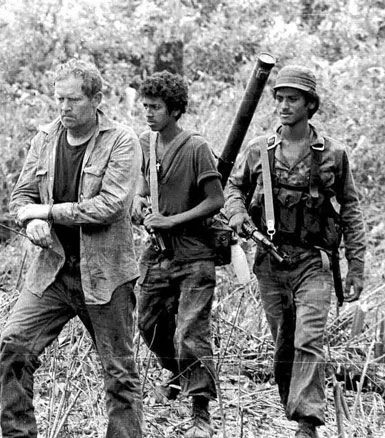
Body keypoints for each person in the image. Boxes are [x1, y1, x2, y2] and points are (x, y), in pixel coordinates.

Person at [0, 59, 143, 437]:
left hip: (106, 278)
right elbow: (21, 197)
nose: (64, 108)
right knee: (15, 345)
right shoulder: (44, 139)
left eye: (73, 100)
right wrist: (31, 222)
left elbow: (110, 206)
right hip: (53, 273)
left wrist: (46, 211)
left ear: (96, 99)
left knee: (119, 373)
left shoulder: (121, 141)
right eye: (59, 98)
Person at [224, 65, 366, 438]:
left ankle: (307, 422)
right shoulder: (259, 150)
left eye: (293, 99)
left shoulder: (334, 154)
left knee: (309, 337)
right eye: (280, 99)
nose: (285, 106)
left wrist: (357, 267)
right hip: (270, 261)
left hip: (313, 261)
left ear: (310, 105)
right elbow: (233, 188)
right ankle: (296, 406)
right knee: (284, 342)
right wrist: (237, 213)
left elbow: (351, 210)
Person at [131, 71, 224, 438]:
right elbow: (143, 184)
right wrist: (140, 201)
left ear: (174, 110)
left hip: (193, 256)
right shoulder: (145, 143)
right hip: (156, 254)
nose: (148, 113)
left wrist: (172, 221)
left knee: (191, 332)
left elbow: (215, 200)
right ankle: (180, 374)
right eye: (146, 106)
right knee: (148, 325)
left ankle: (200, 411)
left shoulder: (196, 148)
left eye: (155, 108)